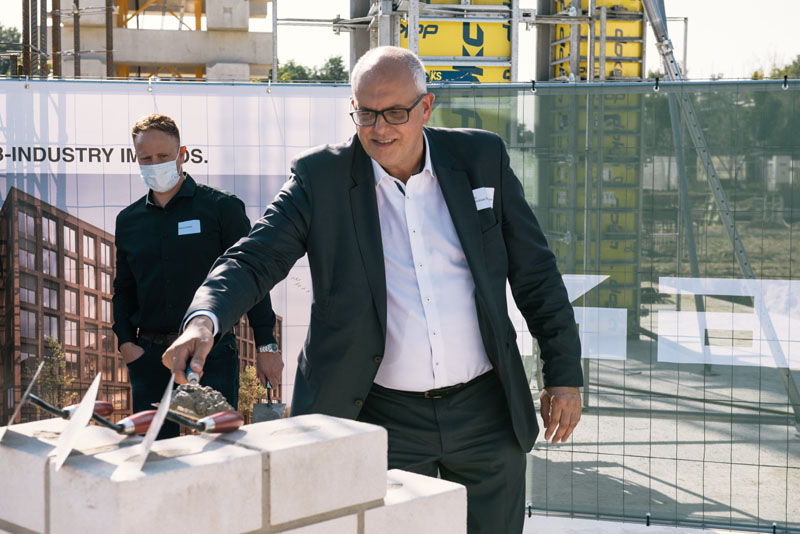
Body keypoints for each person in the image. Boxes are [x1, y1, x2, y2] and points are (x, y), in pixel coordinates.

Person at [163, 48, 582, 532]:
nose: (379, 130)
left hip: (485, 414)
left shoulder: (480, 159)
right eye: (365, 114)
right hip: (380, 416)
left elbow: (537, 276)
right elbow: (254, 257)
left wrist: (563, 373)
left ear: (426, 108)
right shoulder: (320, 179)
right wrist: (204, 318)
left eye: (395, 114)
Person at [113, 113, 281, 438]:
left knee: (217, 453)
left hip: (212, 355)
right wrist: (126, 344)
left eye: (163, 156)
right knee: (155, 460)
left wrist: (267, 347)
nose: (154, 163)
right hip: (151, 358)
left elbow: (250, 277)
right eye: (145, 158)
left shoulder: (221, 208)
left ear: (183, 154)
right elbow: (124, 288)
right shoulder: (128, 220)